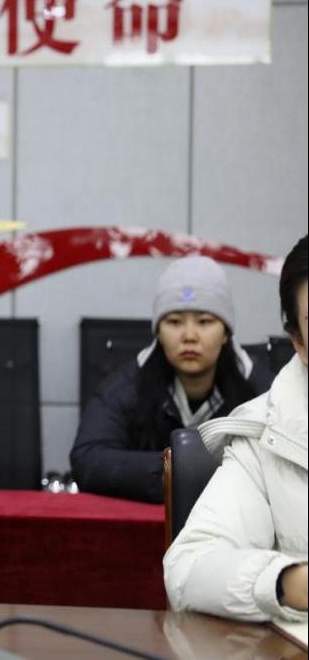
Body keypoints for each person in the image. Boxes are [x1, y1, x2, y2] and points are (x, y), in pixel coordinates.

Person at [164, 236, 308, 622]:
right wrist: (287, 583)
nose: (189, 335)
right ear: (299, 341)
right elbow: (188, 569)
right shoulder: (265, 435)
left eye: (203, 321)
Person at [71, 255, 272, 503]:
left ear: (225, 333)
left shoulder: (264, 392)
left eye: (204, 321)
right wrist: (176, 469)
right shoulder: (127, 385)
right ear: (158, 332)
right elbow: (88, 460)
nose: (189, 336)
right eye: (174, 322)